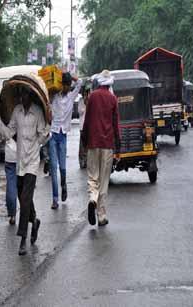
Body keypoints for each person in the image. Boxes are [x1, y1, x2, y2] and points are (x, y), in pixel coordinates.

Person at [0, 86, 50, 256]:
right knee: (23, 197)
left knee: (26, 198)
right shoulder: (17, 111)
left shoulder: (37, 112)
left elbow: (43, 134)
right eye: (21, 94)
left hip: (33, 161)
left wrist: (43, 135)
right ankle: (34, 221)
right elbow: (11, 131)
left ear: (31, 96)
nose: (23, 97)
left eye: (26, 94)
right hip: (20, 160)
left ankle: (23, 239)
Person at [82, 70, 121, 226]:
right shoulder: (113, 99)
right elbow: (115, 124)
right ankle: (101, 215)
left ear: (99, 82)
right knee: (104, 181)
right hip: (107, 144)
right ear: (110, 83)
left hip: (93, 143)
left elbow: (86, 121)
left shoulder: (92, 97)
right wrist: (118, 145)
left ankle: (92, 199)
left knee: (93, 177)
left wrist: (84, 141)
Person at [49, 72, 82, 209]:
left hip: (63, 136)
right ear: (62, 85)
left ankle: (64, 185)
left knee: (62, 167)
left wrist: (66, 74)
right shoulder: (54, 96)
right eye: (66, 85)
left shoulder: (71, 96)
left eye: (69, 86)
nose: (68, 88)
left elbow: (79, 82)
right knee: (53, 168)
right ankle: (55, 199)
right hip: (53, 134)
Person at [4, 137, 17, 225]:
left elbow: (1, 135)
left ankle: (12, 215)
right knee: (25, 186)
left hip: (10, 155)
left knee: (11, 185)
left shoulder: (5, 122)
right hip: (25, 154)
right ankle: (27, 214)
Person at [78, 83, 90, 169]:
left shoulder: (91, 100)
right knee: (82, 146)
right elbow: (80, 111)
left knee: (89, 145)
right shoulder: (80, 101)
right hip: (82, 126)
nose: (85, 95)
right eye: (84, 94)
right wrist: (85, 104)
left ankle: (88, 161)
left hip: (90, 126)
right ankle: (82, 161)